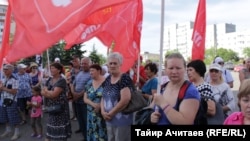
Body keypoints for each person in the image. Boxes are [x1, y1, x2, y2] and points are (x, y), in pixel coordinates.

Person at [150, 53, 200, 125]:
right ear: (166, 69)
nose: (174, 72)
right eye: (171, 68)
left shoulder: (190, 91)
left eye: (178, 68)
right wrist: (151, 117)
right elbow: (151, 109)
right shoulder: (162, 88)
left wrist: (163, 104)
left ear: (185, 69)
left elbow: (185, 122)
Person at [101, 52, 133, 141]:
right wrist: (103, 112)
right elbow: (103, 96)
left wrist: (110, 113)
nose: (112, 65)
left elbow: (125, 100)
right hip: (108, 119)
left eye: (115, 63)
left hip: (122, 120)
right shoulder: (107, 79)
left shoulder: (125, 78)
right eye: (110, 63)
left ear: (120, 64)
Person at [41, 62, 72, 141]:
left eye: (53, 68)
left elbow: (54, 94)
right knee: (51, 128)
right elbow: (42, 92)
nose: (51, 70)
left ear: (58, 70)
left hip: (60, 109)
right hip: (52, 107)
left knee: (60, 130)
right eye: (51, 68)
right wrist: (50, 94)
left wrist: (47, 92)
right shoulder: (49, 79)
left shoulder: (62, 80)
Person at [83, 64, 107, 141]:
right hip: (91, 114)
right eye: (90, 71)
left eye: (92, 70)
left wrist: (100, 106)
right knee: (92, 134)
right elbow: (85, 99)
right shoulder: (89, 83)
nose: (90, 72)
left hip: (102, 114)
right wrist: (94, 105)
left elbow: (110, 97)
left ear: (99, 71)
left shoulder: (107, 82)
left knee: (102, 134)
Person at [70, 57, 91, 140]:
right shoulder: (79, 73)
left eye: (85, 63)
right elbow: (73, 84)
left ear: (90, 64)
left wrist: (77, 95)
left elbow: (88, 87)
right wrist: (73, 93)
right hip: (77, 101)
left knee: (86, 121)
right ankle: (84, 136)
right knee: (80, 120)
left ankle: (88, 137)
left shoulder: (91, 73)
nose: (83, 65)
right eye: (82, 63)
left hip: (85, 102)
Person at [0, 64, 21, 140]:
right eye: (4, 69)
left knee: (13, 117)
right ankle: (8, 130)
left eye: (6, 69)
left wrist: (4, 88)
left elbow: (14, 91)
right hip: (3, 100)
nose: (4, 71)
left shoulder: (14, 79)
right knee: (5, 117)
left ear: (11, 70)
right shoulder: (3, 78)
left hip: (11, 101)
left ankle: (17, 132)